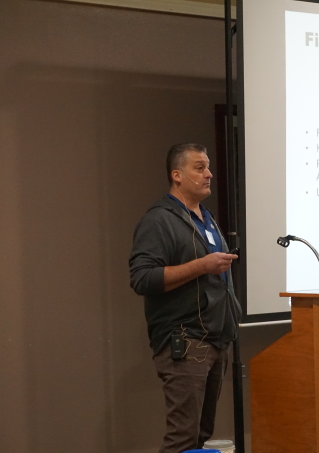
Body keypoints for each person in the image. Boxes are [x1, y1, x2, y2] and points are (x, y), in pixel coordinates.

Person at [129, 143, 241, 453]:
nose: (209, 174)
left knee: (200, 436)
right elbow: (142, 278)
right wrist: (201, 266)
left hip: (216, 339)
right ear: (177, 175)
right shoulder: (159, 220)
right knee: (183, 438)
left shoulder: (206, 217)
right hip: (185, 340)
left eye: (208, 167)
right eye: (200, 167)